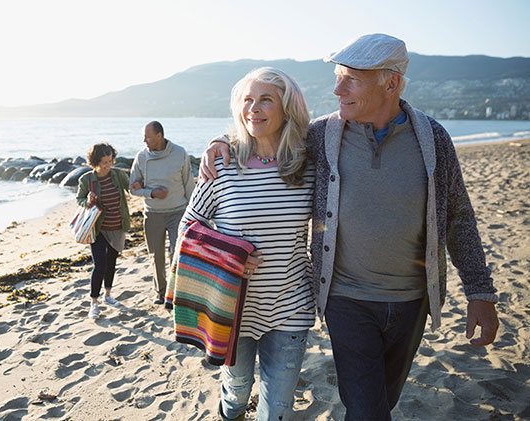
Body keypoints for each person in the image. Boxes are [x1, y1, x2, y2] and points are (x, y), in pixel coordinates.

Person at [201, 33, 499, 420]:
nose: (337, 89)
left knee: (383, 399)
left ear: (390, 83)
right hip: (345, 299)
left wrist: (480, 291)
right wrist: (220, 140)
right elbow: (266, 133)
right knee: (365, 408)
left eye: (351, 79)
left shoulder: (433, 139)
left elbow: (459, 217)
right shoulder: (323, 135)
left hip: (412, 301)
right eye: (338, 76)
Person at [183, 67, 315, 421]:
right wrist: (229, 257)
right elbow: (188, 226)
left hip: (291, 306)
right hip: (233, 309)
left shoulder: (308, 164)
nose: (254, 108)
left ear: (287, 108)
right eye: (247, 100)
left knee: (278, 408)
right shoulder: (223, 165)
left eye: (266, 100)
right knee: (237, 393)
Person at [129, 121, 196, 305]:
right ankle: (160, 293)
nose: (144, 140)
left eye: (148, 136)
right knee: (156, 255)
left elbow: (188, 184)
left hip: (178, 212)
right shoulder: (141, 157)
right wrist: (150, 192)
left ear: (160, 136)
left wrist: (194, 214)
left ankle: (176, 292)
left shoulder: (180, 153)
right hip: (153, 214)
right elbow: (132, 188)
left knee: (178, 253)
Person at [76, 143, 131, 319]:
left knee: (111, 263)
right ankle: (94, 303)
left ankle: (108, 295)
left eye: (110, 161)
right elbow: (80, 200)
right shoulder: (86, 179)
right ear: (95, 162)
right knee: (99, 266)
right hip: (97, 228)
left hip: (117, 226)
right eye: (104, 162)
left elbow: (133, 188)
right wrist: (88, 202)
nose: (108, 165)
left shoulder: (118, 175)